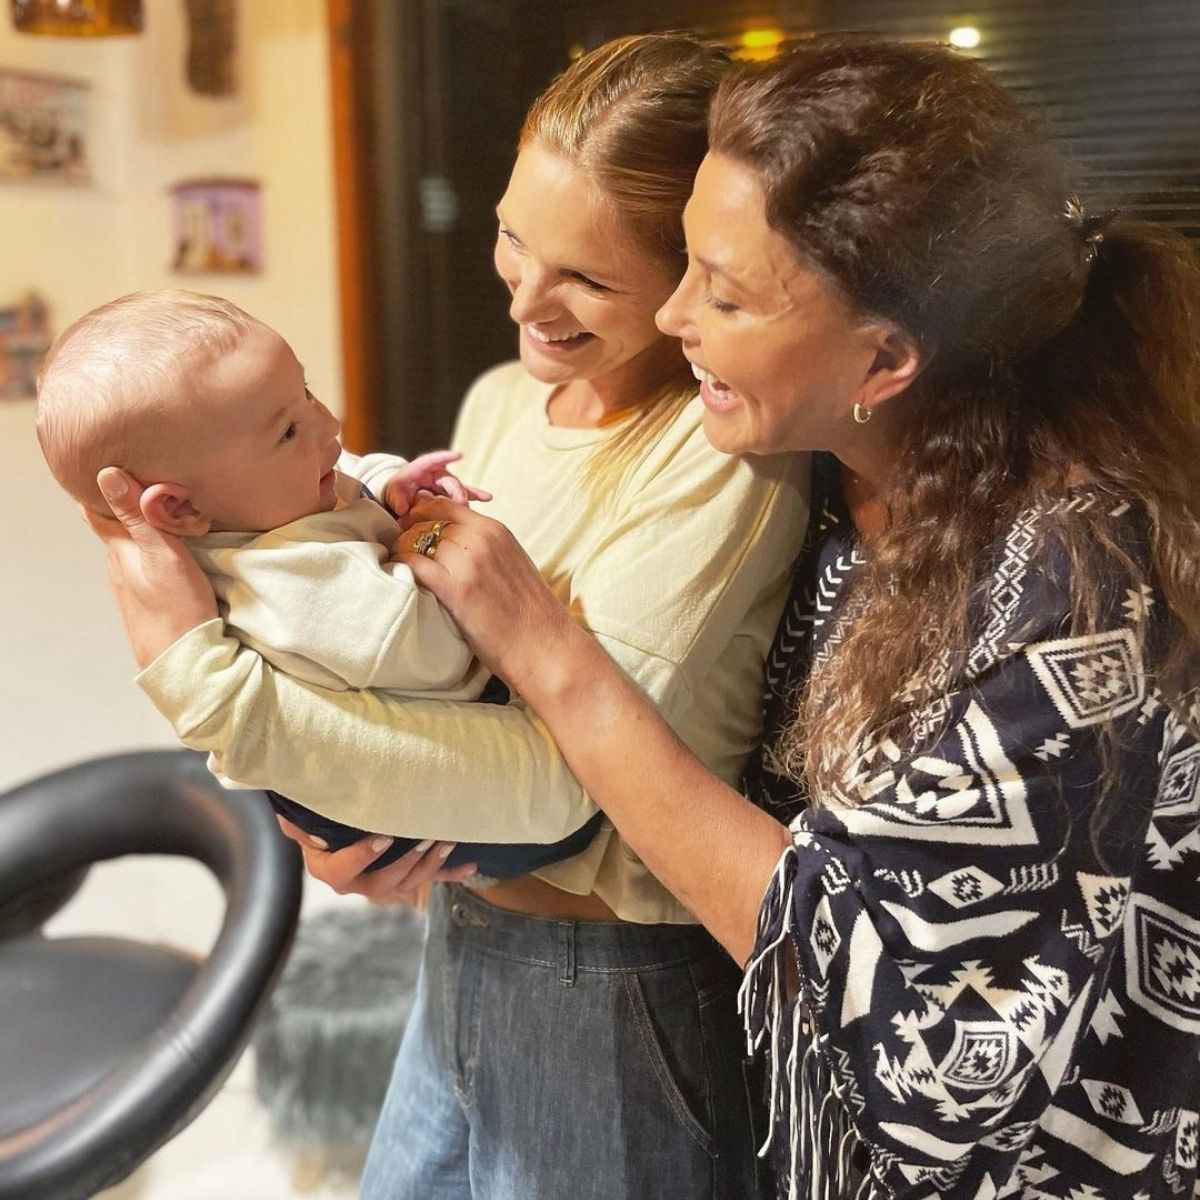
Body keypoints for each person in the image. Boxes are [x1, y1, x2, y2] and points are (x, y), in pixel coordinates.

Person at [375, 37, 1199, 1200]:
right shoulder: (834, 487)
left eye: (722, 291)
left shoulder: (1070, 590)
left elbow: (891, 1000)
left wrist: (546, 649)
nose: (671, 316)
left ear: (887, 357)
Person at [85, 34, 809, 1200]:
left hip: (614, 991)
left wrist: (210, 685)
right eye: (515, 233)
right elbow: (397, 697)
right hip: (460, 939)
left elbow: (561, 788)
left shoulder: (719, 459)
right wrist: (342, 825)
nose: (524, 294)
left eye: (590, 277)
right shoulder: (498, 399)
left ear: (688, 279)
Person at [36, 289, 602, 879]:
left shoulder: (268, 499)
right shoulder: (294, 584)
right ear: (178, 510)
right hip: (407, 813)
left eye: (305, 392)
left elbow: (351, 472)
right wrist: (425, 544)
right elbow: (435, 655)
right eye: (287, 432)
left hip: (371, 739)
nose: (329, 426)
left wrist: (390, 485)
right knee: (581, 802)